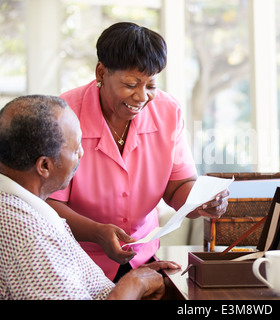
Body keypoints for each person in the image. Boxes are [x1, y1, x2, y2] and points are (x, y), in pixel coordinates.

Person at [46, 22, 229, 281]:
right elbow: (47, 202)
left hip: (142, 260)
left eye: (151, 86)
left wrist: (201, 202)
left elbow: (177, 187)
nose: (141, 96)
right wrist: (97, 232)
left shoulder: (168, 112)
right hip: (75, 263)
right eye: (131, 84)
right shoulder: (63, 115)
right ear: (101, 72)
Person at [0, 95, 180, 300]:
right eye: (76, 148)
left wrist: (139, 279)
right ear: (44, 166)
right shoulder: (28, 232)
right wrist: (135, 284)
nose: (82, 154)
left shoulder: (25, 208)